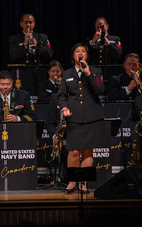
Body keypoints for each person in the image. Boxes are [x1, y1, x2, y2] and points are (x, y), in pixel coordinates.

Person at [58, 43, 106, 193]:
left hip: (92, 117)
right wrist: (64, 107)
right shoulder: (66, 74)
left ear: (87, 55)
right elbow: (62, 96)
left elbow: (100, 90)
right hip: (74, 117)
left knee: (87, 152)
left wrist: (88, 73)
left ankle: (83, 183)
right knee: (73, 151)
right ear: (73, 56)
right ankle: (72, 181)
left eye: (83, 51)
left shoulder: (95, 71)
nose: (80, 53)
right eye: (77, 51)